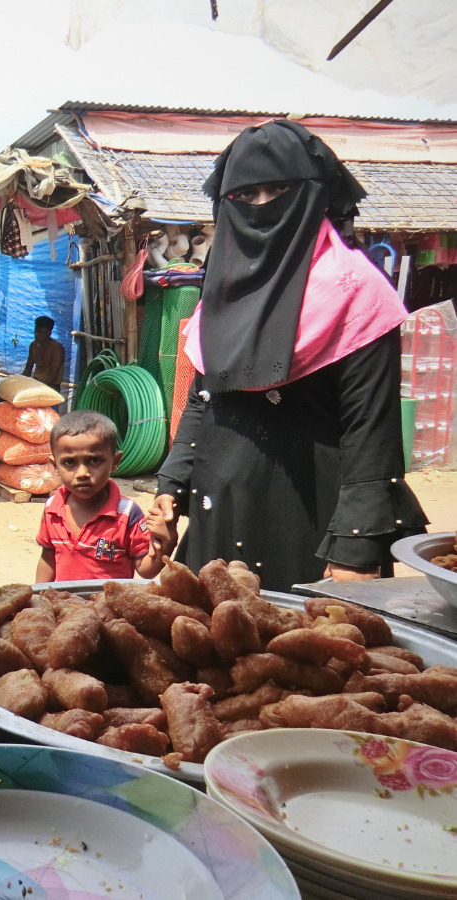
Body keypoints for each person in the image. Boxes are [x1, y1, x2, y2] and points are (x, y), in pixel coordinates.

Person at [153, 120, 427, 591]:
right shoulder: (221, 291)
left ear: (316, 193)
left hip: (312, 527)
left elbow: (371, 432)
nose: (262, 206)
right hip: (219, 514)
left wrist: (356, 548)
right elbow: (204, 398)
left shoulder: (355, 293)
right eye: (245, 194)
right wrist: (171, 485)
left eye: (277, 189)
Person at [36, 410, 173, 582]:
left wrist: (166, 542)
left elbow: (146, 571)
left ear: (115, 462)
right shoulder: (52, 509)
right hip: (65, 605)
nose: (82, 473)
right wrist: (38, 598)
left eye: (94, 461)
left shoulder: (127, 514)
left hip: (108, 607)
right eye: (69, 462)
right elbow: (48, 559)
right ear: (55, 465)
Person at [22, 315, 65, 389]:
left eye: (40, 332)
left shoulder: (56, 348)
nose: (36, 334)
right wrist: (19, 381)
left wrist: (36, 387)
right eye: (35, 331)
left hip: (52, 387)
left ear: (49, 333)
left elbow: (52, 375)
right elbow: (28, 369)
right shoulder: (33, 345)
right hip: (35, 382)